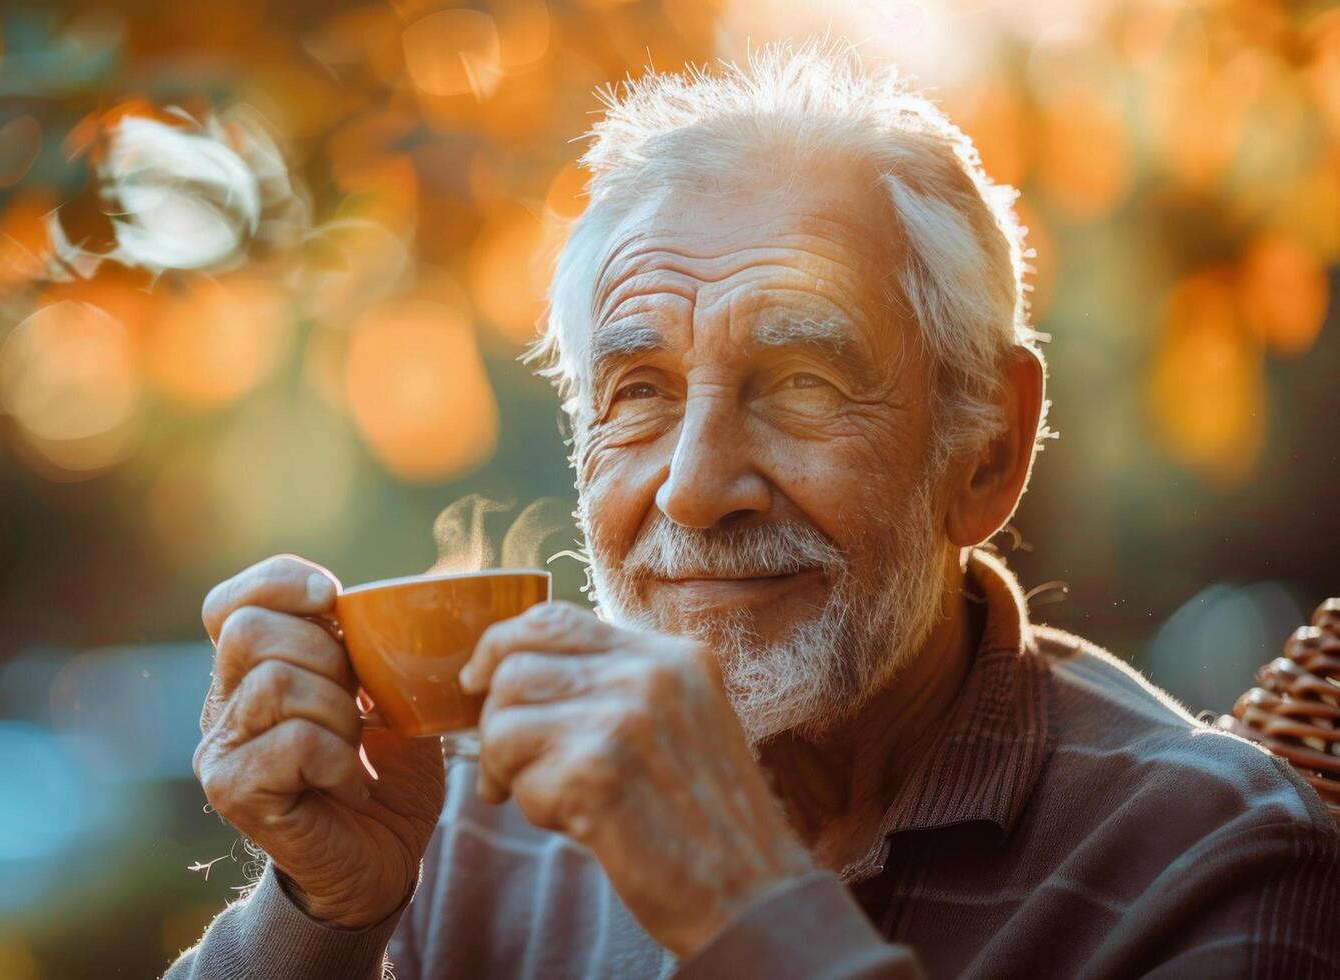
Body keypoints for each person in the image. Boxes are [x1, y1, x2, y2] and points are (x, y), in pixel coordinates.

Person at [167, 44, 1340, 979]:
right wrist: (320, 917)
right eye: (638, 393)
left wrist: (741, 909)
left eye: (800, 384)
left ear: (985, 449)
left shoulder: (1219, 855)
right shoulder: (472, 823)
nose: (690, 485)